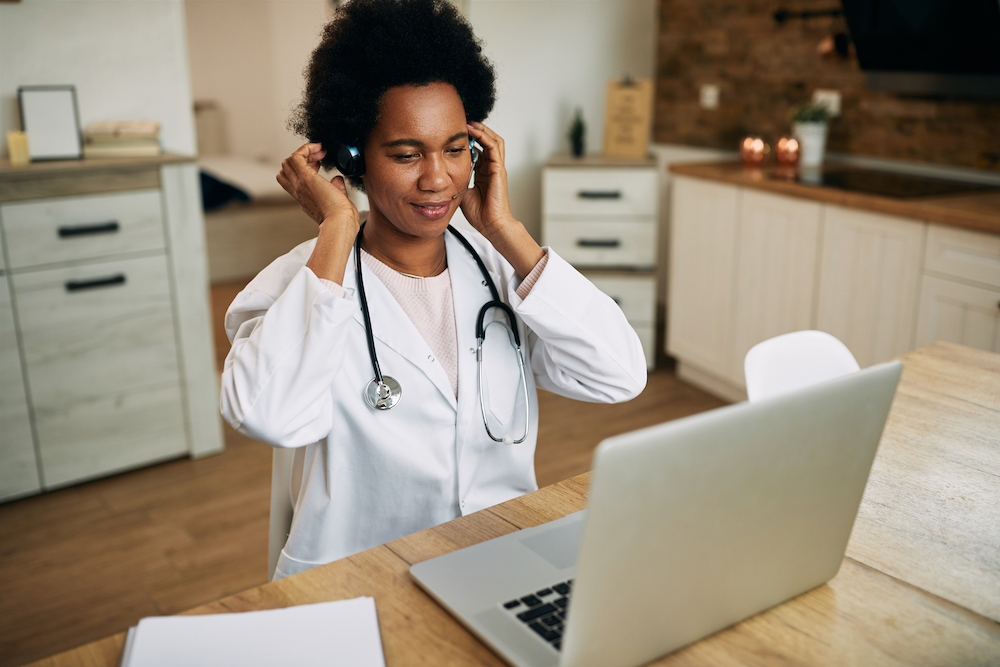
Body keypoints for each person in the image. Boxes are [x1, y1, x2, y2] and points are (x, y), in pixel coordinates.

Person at [220, 0, 646, 580]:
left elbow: (619, 374)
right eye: (406, 154)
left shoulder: (501, 270)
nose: (437, 178)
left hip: (498, 558)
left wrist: (506, 231)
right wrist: (337, 227)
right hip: (362, 576)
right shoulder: (304, 284)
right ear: (353, 158)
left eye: (453, 149)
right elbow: (266, 414)